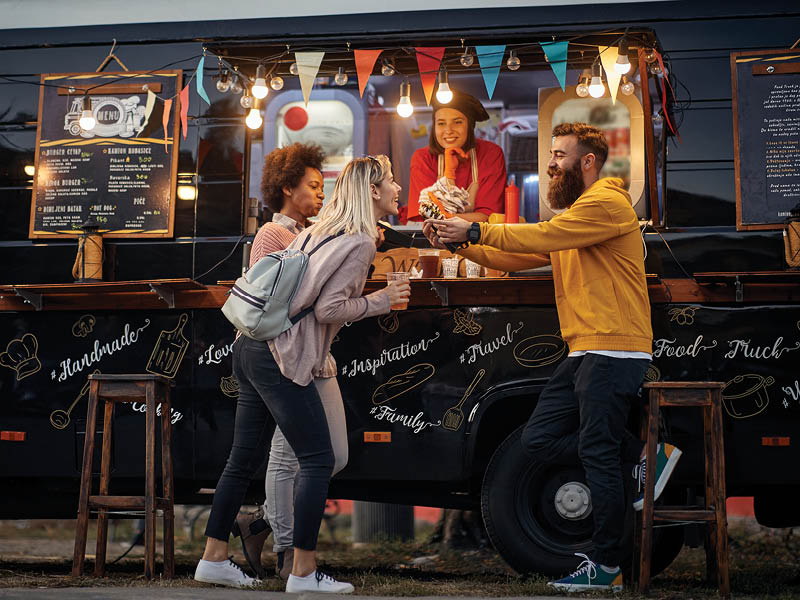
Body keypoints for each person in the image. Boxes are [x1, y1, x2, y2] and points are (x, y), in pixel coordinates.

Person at [425, 122, 681, 593]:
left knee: (596, 455)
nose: (550, 163)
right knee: (539, 440)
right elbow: (521, 256)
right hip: (585, 348)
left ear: (587, 161)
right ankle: (645, 456)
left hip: (613, 347)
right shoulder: (576, 216)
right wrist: (460, 242)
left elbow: (539, 236)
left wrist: (477, 226)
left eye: (560, 154)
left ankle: (606, 567)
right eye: (551, 154)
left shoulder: (605, 202)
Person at [195, 155, 409, 593]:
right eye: (391, 181)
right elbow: (331, 309)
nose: (398, 188)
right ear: (371, 191)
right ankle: (304, 573)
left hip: (250, 347)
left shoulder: (319, 229)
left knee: (242, 460)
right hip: (281, 356)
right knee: (318, 458)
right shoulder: (359, 242)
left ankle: (213, 559)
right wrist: (382, 300)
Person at [228, 142, 348, 582]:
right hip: (282, 356)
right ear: (286, 188)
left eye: (323, 186)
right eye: (312, 186)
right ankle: (286, 551)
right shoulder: (271, 236)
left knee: (332, 456)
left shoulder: (313, 231)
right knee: (286, 454)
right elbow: (266, 303)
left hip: (315, 355)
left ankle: (259, 523)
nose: (320, 193)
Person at [405, 91, 506, 223]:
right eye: (441, 123)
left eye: (457, 122)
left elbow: (488, 216)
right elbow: (424, 214)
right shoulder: (423, 158)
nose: (448, 130)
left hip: (479, 239)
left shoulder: (491, 154)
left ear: (470, 125)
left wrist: (443, 217)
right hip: (433, 240)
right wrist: (449, 172)